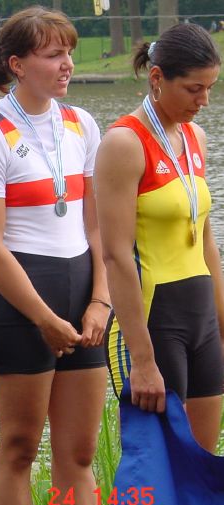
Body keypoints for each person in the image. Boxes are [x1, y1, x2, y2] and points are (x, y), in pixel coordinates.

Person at [0, 7, 109, 505]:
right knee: (20, 447)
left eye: (69, 53)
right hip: (22, 304)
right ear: (18, 65)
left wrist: (101, 300)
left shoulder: (82, 124)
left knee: (78, 455)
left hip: (82, 293)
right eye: (53, 55)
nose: (67, 64)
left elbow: (97, 228)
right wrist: (44, 318)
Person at [95, 24, 223, 450]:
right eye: (193, 89)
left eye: (209, 88)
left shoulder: (195, 138)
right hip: (154, 321)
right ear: (157, 78)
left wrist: (222, 325)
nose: (203, 101)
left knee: (203, 468)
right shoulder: (124, 143)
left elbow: (206, 241)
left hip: (201, 318)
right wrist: (143, 359)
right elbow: (115, 255)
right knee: (155, 471)